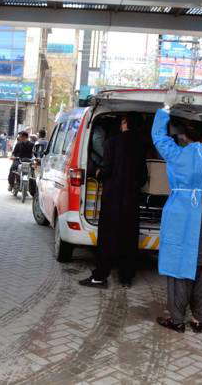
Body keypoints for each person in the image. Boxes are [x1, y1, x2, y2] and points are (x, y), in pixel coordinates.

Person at [153, 90, 202, 334]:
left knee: (178, 266)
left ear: (184, 136)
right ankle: (199, 319)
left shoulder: (177, 154)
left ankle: (176, 319)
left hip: (182, 215)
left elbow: (158, 137)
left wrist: (165, 106)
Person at [79, 114, 147, 289]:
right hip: (131, 199)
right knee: (129, 238)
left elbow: (107, 169)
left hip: (113, 198)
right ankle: (126, 278)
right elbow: (143, 176)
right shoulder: (141, 144)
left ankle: (100, 277)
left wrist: (99, 173)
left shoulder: (112, 142)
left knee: (108, 237)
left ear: (124, 123)